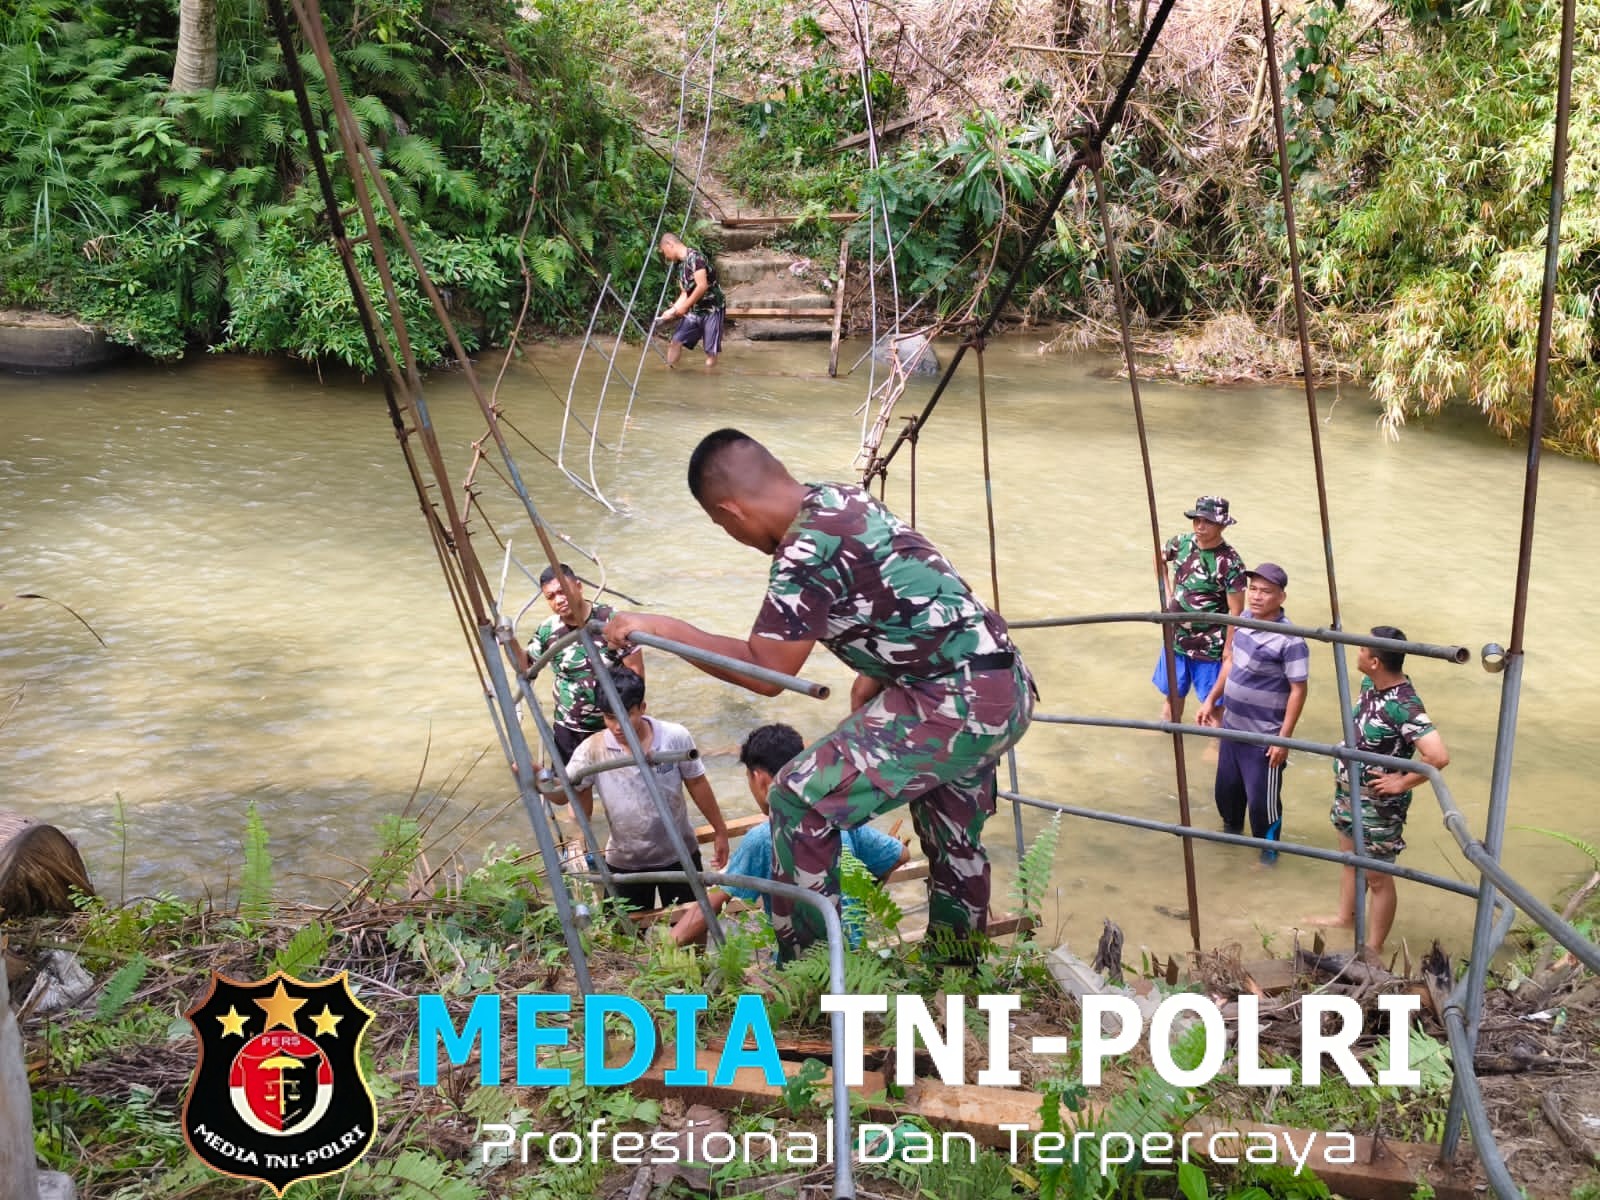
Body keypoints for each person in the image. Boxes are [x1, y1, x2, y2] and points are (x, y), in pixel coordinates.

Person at [602, 428, 1034, 963]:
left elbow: (768, 671)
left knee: (797, 799)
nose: (734, 536)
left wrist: (660, 628)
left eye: (722, 526)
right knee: (952, 838)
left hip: (949, 699)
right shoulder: (842, 499)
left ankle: (811, 974)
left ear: (731, 510)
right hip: (1000, 687)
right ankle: (956, 969)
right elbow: (903, 590)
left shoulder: (802, 549)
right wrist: (876, 673)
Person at [669, 723, 909, 947]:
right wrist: (861, 897)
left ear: (759, 779)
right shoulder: (836, 815)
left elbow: (710, 905)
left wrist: (665, 947)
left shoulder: (764, 837)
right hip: (852, 954)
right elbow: (900, 855)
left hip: (801, 963)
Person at [1317, 627, 1449, 953]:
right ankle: (1345, 919)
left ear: (1375, 661)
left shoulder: (1404, 705)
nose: (1357, 652)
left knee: (1377, 877)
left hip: (1378, 803)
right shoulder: (1370, 684)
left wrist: (1400, 782)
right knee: (1350, 861)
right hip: (1349, 793)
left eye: (1362, 649)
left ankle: (1373, 947)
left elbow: (1437, 756)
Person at [556, 667, 730, 911]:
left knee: (692, 922)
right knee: (622, 930)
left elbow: (697, 783)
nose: (618, 727)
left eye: (626, 716)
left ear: (642, 708)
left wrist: (720, 831)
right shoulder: (591, 750)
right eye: (610, 717)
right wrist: (536, 778)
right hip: (625, 860)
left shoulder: (673, 737)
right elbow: (564, 795)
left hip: (679, 853)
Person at [1197, 563, 1309, 864]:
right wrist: (1211, 700)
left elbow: (1298, 690)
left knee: (1263, 807)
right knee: (1227, 797)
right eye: (1254, 589)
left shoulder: (1290, 640)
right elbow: (1230, 661)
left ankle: (1268, 860)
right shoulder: (1243, 620)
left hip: (1264, 739)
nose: (1256, 596)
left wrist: (1283, 739)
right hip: (1231, 729)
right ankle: (1230, 854)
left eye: (1266, 591)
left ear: (1281, 597)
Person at [527, 563, 643, 766]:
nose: (559, 600)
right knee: (571, 782)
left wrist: (632, 721)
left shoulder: (611, 620)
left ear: (579, 586)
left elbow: (636, 674)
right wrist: (506, 639)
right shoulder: (548, 629)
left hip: (613, 726)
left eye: (563, 591)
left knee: (620, 778)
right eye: (551, 597)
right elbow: (526, 666)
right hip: (569, 727)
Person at [1154, 496, 1246, 722]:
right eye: (1197, 520)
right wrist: (1167, 594)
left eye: (1208, 522)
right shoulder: (1180, 543)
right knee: (1172, 696)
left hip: (1210, 645)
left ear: (1222, 526)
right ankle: (1167, 732)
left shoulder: (1230, 562)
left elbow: (1236, 612)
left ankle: (1217, 741)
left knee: (1213, 706)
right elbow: (1159, 557)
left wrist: (1228, 649)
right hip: (1176, 637)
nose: (1200, 526)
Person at [656, 232, 727, 369]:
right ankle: (670, 370)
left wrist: (684, 308)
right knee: (676, 341)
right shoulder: (679, 265)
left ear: (670, 244)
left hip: (712, 308)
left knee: (710, 352)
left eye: (664, 252)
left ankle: (708, 378)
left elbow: (702, 286)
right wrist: (673, 310)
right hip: (695, 309)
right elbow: (685, 293)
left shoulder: (696, 258)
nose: (666, 256)